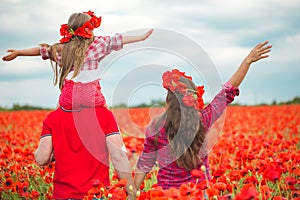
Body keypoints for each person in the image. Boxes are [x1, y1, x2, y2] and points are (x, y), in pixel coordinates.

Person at [2, 11, 153, 199]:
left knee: (60, 116)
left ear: (69, 29)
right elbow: (119, 39)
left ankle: (61, 138)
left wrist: (18, 53)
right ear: (89, 29)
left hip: (68, 103)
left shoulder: (61, 49)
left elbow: (42, 50)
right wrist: (141, 37)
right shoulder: (98, 45)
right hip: (93, 105)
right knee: (102, 115)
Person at [134, 41, 272, 190]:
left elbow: (145, 163)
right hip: (199, 192)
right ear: (193, 99)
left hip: (167, 195)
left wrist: (133, 191)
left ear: (169, 99)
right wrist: (247, 61)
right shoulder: (202, 119)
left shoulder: (156, 126)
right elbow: (227, 92)